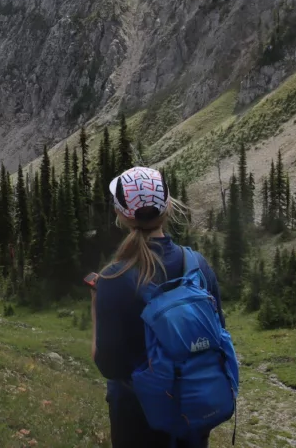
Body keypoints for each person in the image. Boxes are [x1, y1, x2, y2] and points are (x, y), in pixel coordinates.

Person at [88, 166, 224, 448]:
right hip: (194, 406)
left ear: (121, 213)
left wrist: (95, 302)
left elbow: (108, 364)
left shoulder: (113, 277)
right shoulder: (197, 265)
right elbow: (218, 335)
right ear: (169, 205)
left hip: (138, 420)